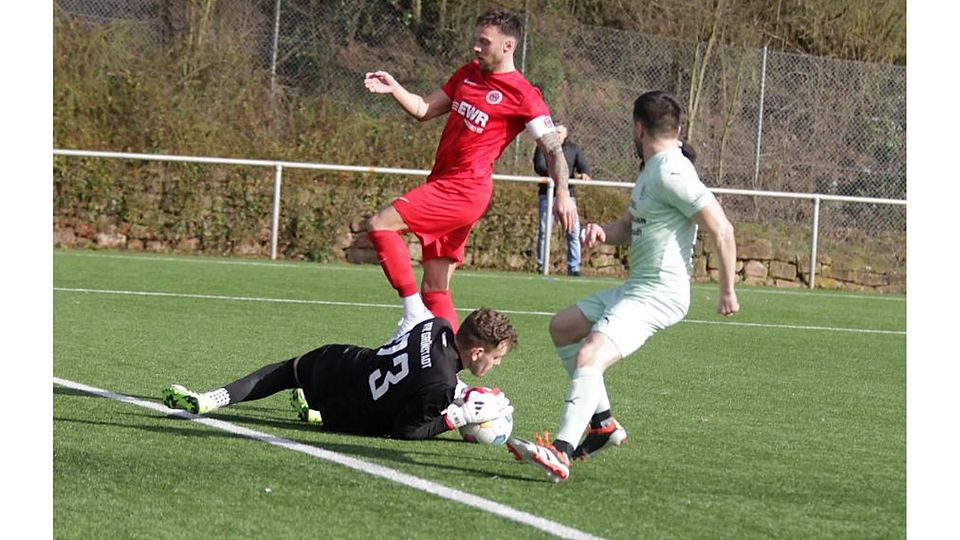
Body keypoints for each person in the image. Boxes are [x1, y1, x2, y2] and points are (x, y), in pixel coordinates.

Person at [506, 91, 740, 481]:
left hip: (659, 294)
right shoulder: (652, 170)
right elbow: (631, 226)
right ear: (677, 128)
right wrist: (603, 232)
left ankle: (562, 450)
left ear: (638, 128)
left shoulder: (672, 171)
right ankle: (603, 427)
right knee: (563, 328)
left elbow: (722, 228)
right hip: (638, 287)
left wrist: (727, 290)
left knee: (589, 356)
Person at [362, 8, 574, 343]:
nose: (476, 47)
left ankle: (413, 313)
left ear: (508, 46)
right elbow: (423, 109)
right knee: (436, 287)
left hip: (465, 189)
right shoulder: (467, 74)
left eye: (484, 42)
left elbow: (553, 149)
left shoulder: (523, 93)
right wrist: (395, 88)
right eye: (476, 40)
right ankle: (449, 365)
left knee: (380, 224)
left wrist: (562, 192)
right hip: (443, 182)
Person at [162, 308, 517, 440]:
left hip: (339, 364)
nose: (497, 364)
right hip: (345, 416)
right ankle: (315, 411)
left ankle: (212, 398)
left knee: (285, 371)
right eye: (496, 357)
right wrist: (457, 417)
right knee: (385, 412)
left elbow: (423, 367)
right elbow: (405, 430)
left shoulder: (437, 325)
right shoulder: (441, 386)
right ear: (477, 352)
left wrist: (458, 390)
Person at [532, 123, 591, 276]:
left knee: (573, 232)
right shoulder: (543, 146)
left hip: (568, 197)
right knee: (544, 231)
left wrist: (584, 174)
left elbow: (583, 167)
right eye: (555, 132)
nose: (557, 135)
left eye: (560, 132)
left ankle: (574, 268)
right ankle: (542, 265)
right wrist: (559, 173)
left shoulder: (573, 149)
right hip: (547, 195)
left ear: (565, 134)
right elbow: (539, 166)